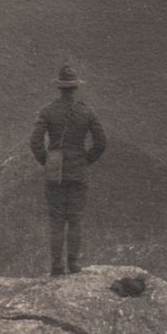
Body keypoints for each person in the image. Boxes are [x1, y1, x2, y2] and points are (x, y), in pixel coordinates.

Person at [29, 65, 107, 276]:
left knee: (56, 221)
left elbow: (35, 142)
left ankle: (56, 266)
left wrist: (47, 161)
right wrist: (84, 160)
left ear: (60, 88)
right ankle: (73, 264)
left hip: (55, 172)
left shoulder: (47, 111)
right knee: (75, 219)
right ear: (75, 89)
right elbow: (101, 143)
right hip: (78, 171)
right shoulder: (86, 111)